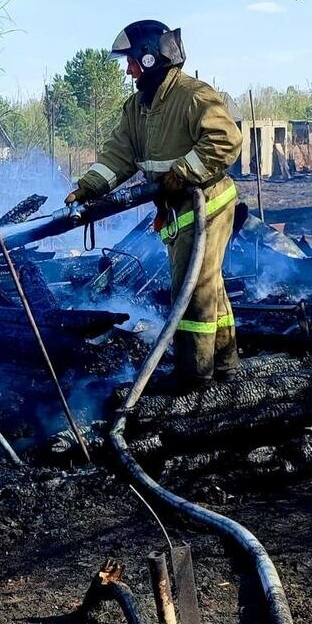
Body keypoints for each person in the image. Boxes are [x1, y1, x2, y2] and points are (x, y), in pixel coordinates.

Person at [66, 20, 243, 386]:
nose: (129, 70)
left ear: (150, 59)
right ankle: (225, 364)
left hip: (206, 206)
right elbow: (118, 155)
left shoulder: (194, 96)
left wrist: (185, 173)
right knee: (210, 286)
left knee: (192, 292)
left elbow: (227, 140)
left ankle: (195, 376)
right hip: (178, 210)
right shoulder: (137, 108)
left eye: (131, 61)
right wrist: (88, 188)